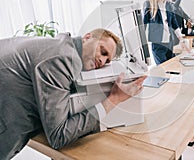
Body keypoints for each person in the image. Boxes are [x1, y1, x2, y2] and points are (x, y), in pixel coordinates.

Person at [0, 28, 146, 160]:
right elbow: (58, 136)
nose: (102, 60)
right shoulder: (63, 59)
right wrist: (114, 99)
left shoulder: (61, 45)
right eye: (102, 51)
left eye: (107, 60)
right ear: (87, 37)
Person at [143, 0, 188, 65]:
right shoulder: (149, 4)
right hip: (158, 45)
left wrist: (182, 40)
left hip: (169, 44)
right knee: (163, 71)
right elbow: (142, 25)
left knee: (172, 69)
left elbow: (174, 23)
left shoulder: (169, 5)